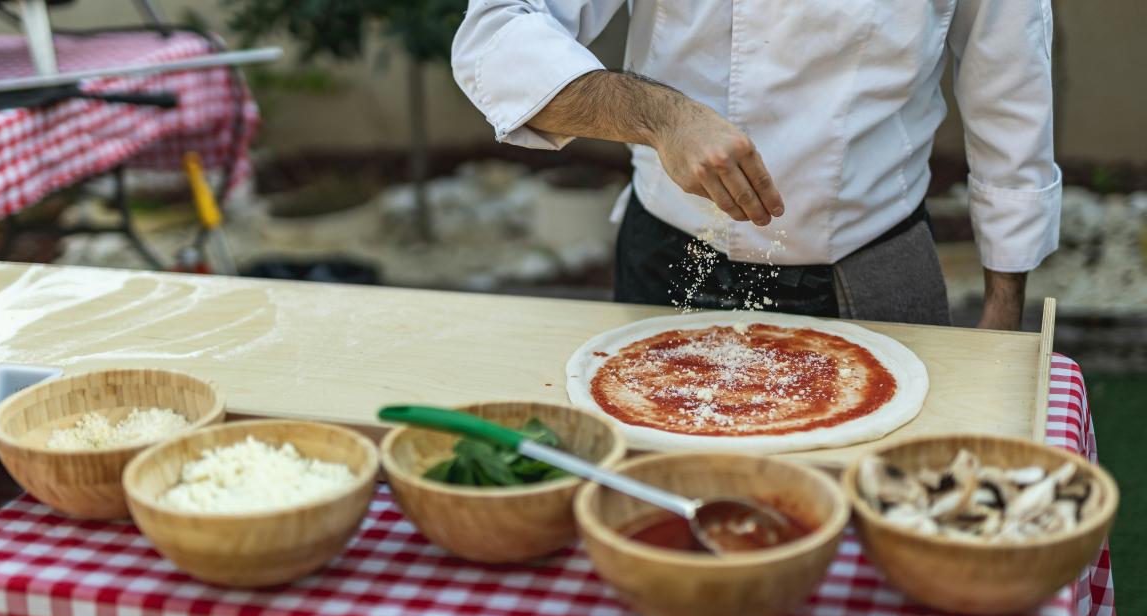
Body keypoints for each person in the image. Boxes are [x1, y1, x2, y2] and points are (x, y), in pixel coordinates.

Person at [450, 1, 1060, 329]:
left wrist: (1004, 306)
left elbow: (1009, 89)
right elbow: (498, 30)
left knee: (882, 516)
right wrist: (662, 117)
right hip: (667, 257)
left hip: (867, 264)